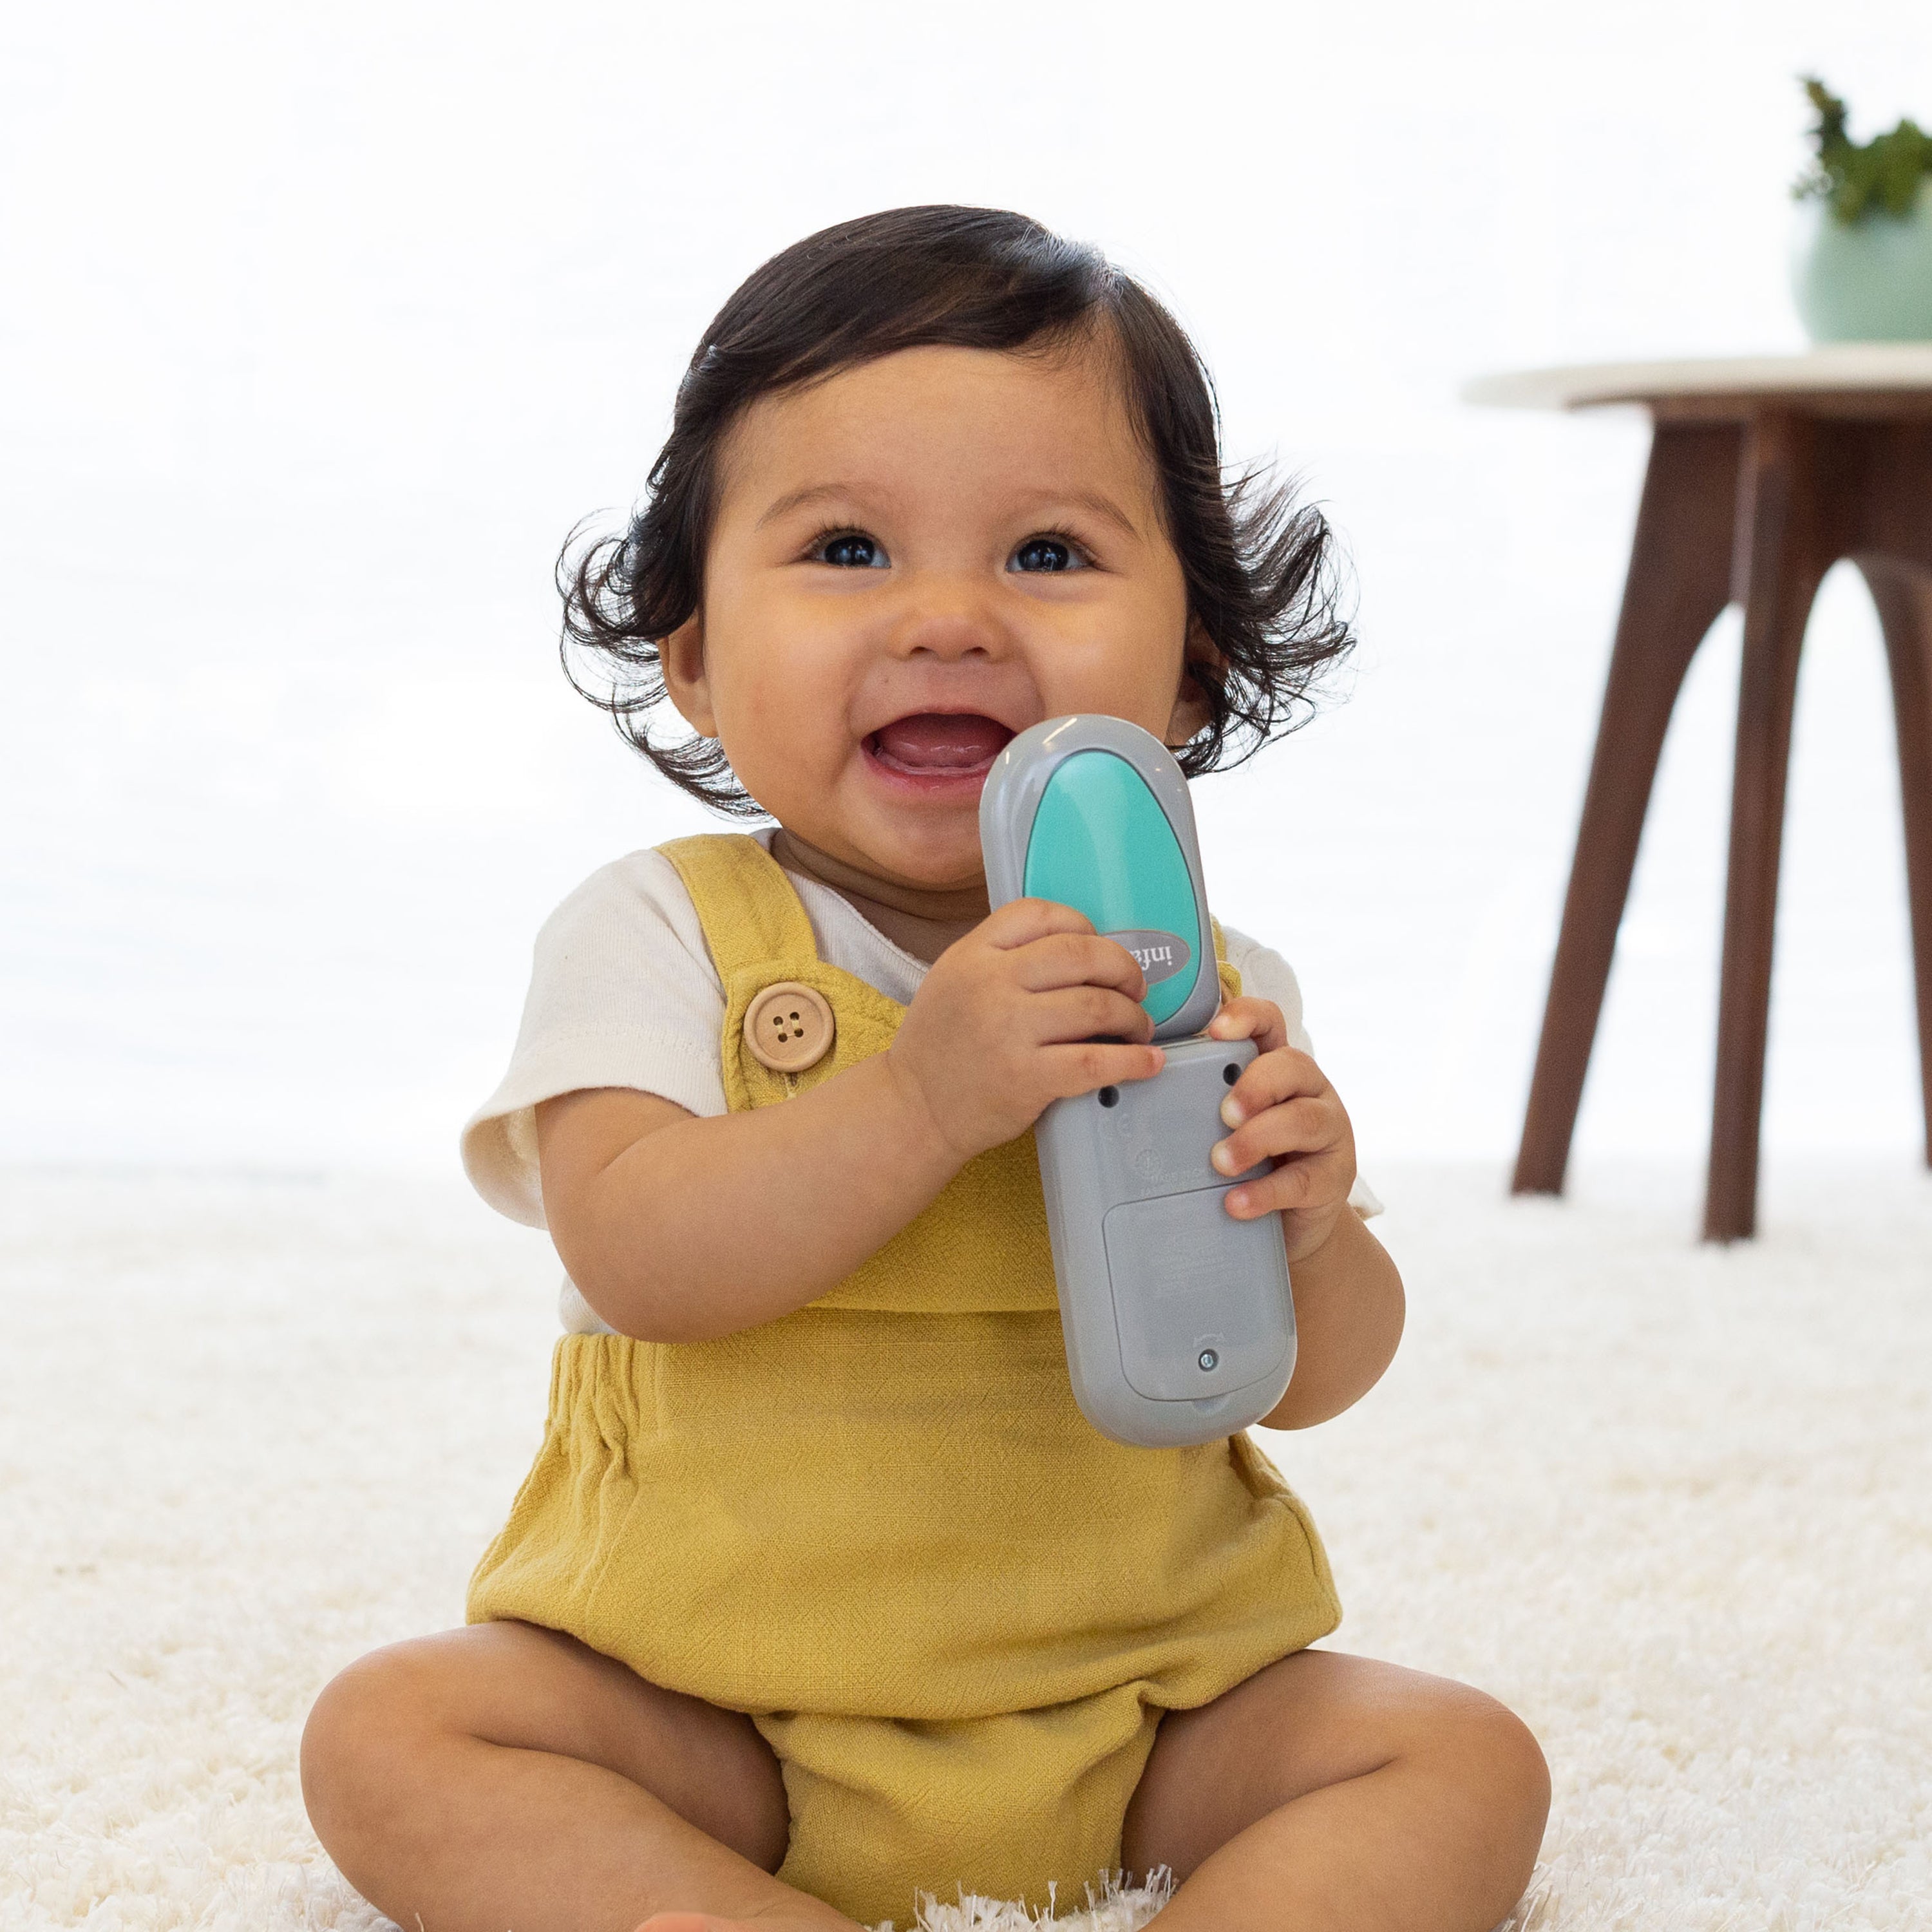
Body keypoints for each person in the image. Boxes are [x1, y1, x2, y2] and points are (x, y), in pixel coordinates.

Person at [299, 205, 1549, 1932]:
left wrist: (1314, 1229)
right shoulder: (658, 934)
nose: (950, 617)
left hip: (1145, 1703)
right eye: (846, 549)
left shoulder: (1204, 980)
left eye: (1046, 552)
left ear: (1192, 666)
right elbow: (640, 1257)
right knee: (398, 1734)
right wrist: (921, 1097)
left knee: (1463, 1762)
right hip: (713, 1703)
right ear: (694, 656)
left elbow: (1306, 1382)